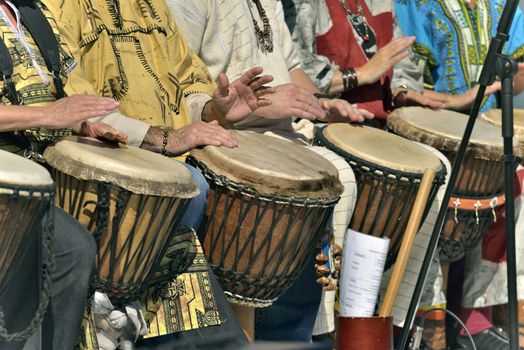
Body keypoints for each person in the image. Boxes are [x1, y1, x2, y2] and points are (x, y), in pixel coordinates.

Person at [41, 0, 276, 347]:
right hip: (105, 154)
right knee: (190, 184)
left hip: (171, 151)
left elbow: (187, 78)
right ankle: (130, 319)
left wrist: (213, 109)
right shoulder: (58, 7)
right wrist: (164, 139)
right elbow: (77, 107)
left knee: (253, 180)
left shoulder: (152, 5)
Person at [168, 0, 377, 343]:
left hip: (280, 136)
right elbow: (177, 87)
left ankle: (304, 335)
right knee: (327, 176)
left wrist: (319, 103)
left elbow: (291, 69)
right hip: (224, 137)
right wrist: (257, 106)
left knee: (336, 175)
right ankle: (288, 335)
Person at [394, 1, 524, 349]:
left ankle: (477, 319)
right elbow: (404, 86)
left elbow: (514, 79)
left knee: (521, 181)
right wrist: (455, 102)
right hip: (432, 131)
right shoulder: (416, 5)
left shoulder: (504, 5)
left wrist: (517, 76)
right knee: (434, 200)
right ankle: (429, 325)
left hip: (489, 134)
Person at [0, 0, 129, 348]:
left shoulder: (35, 12)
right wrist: (48, 115)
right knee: (71, 249)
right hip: (7, 179)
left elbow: (58, 98)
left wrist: (81, 123)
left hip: (45, 171)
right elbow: (47, 111)